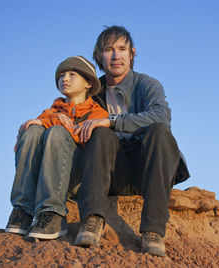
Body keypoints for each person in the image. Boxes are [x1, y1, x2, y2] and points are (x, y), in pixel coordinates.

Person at [72, 26, 190, 257]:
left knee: (159, 131)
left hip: (147, 171)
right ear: (99, 56)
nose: (116, 56)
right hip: (109, 172)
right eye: (108, 50)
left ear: (132, 53)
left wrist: (112, 121)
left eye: (122, 49)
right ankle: (92, 221)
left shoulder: (147, 84)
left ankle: (153, 232)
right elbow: (69, 116)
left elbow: (161, 116)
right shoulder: (92, 91)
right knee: (100, 133)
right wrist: (40, 123)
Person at [5, 56, 108, 240]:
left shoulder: (97, 112)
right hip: (46, 176)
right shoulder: (51, 111)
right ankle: (22, 210)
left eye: (72, 74)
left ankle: (54, 213)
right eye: (61, 75)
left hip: (76, 177)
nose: (64, 79)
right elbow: (19, 148)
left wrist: (56, 124)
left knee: (57, 132)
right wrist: (28, 133)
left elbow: (89, 141)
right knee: (33, 130)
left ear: (88, 83)